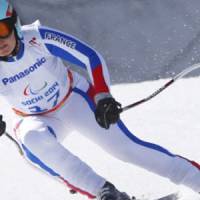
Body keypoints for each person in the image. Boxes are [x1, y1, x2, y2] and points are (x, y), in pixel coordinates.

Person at [0, 1, 200, 199]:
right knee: (32, 143)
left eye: (1, 29)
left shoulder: (37, 38)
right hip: (32, 117)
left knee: (125, 149)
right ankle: (105, 192)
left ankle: (195, 178)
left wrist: (103, 96)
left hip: (73, 100)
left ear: (14, 25)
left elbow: (90, 57)